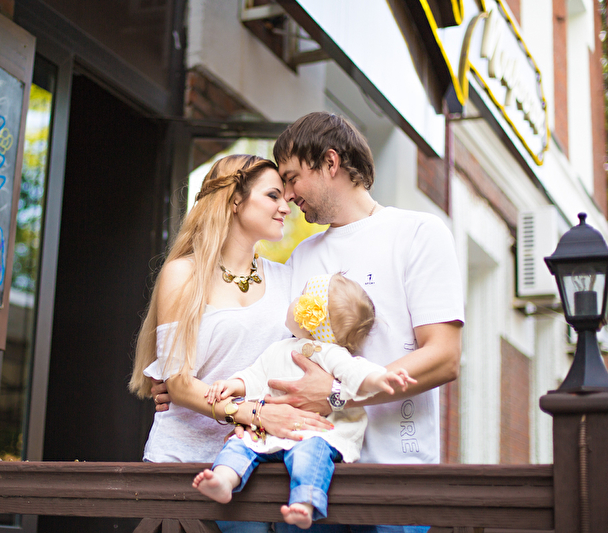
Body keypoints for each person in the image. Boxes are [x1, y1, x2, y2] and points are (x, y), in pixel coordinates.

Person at [267, 112, 465, 533]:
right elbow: (283, 348)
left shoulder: (418, 233)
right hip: (309, 478)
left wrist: (338, 395)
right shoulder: (302, 255)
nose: (288, 195)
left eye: (292, 178)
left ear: (330, 162)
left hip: (396, 479)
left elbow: (444, 357)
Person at [129, 154, 332, 533]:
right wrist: (256, 413)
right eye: (273, 195)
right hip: (183, 465)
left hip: (257, 466)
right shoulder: (182, 274)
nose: (285, 207)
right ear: (236, 199)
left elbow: (302, 361)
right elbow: (178, 383)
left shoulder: (288, 278)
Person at [193, 273, 415, 529]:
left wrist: (379, 378)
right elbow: (256, 375)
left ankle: (305, 502)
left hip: (313, 433)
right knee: (239, 443)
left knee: (311, 455)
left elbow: (355, 372)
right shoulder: (280, 348)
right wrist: (233, 385)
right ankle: (224, 480)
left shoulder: (330, 353)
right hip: (270, 433)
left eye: (301, 297)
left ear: (308, 316)